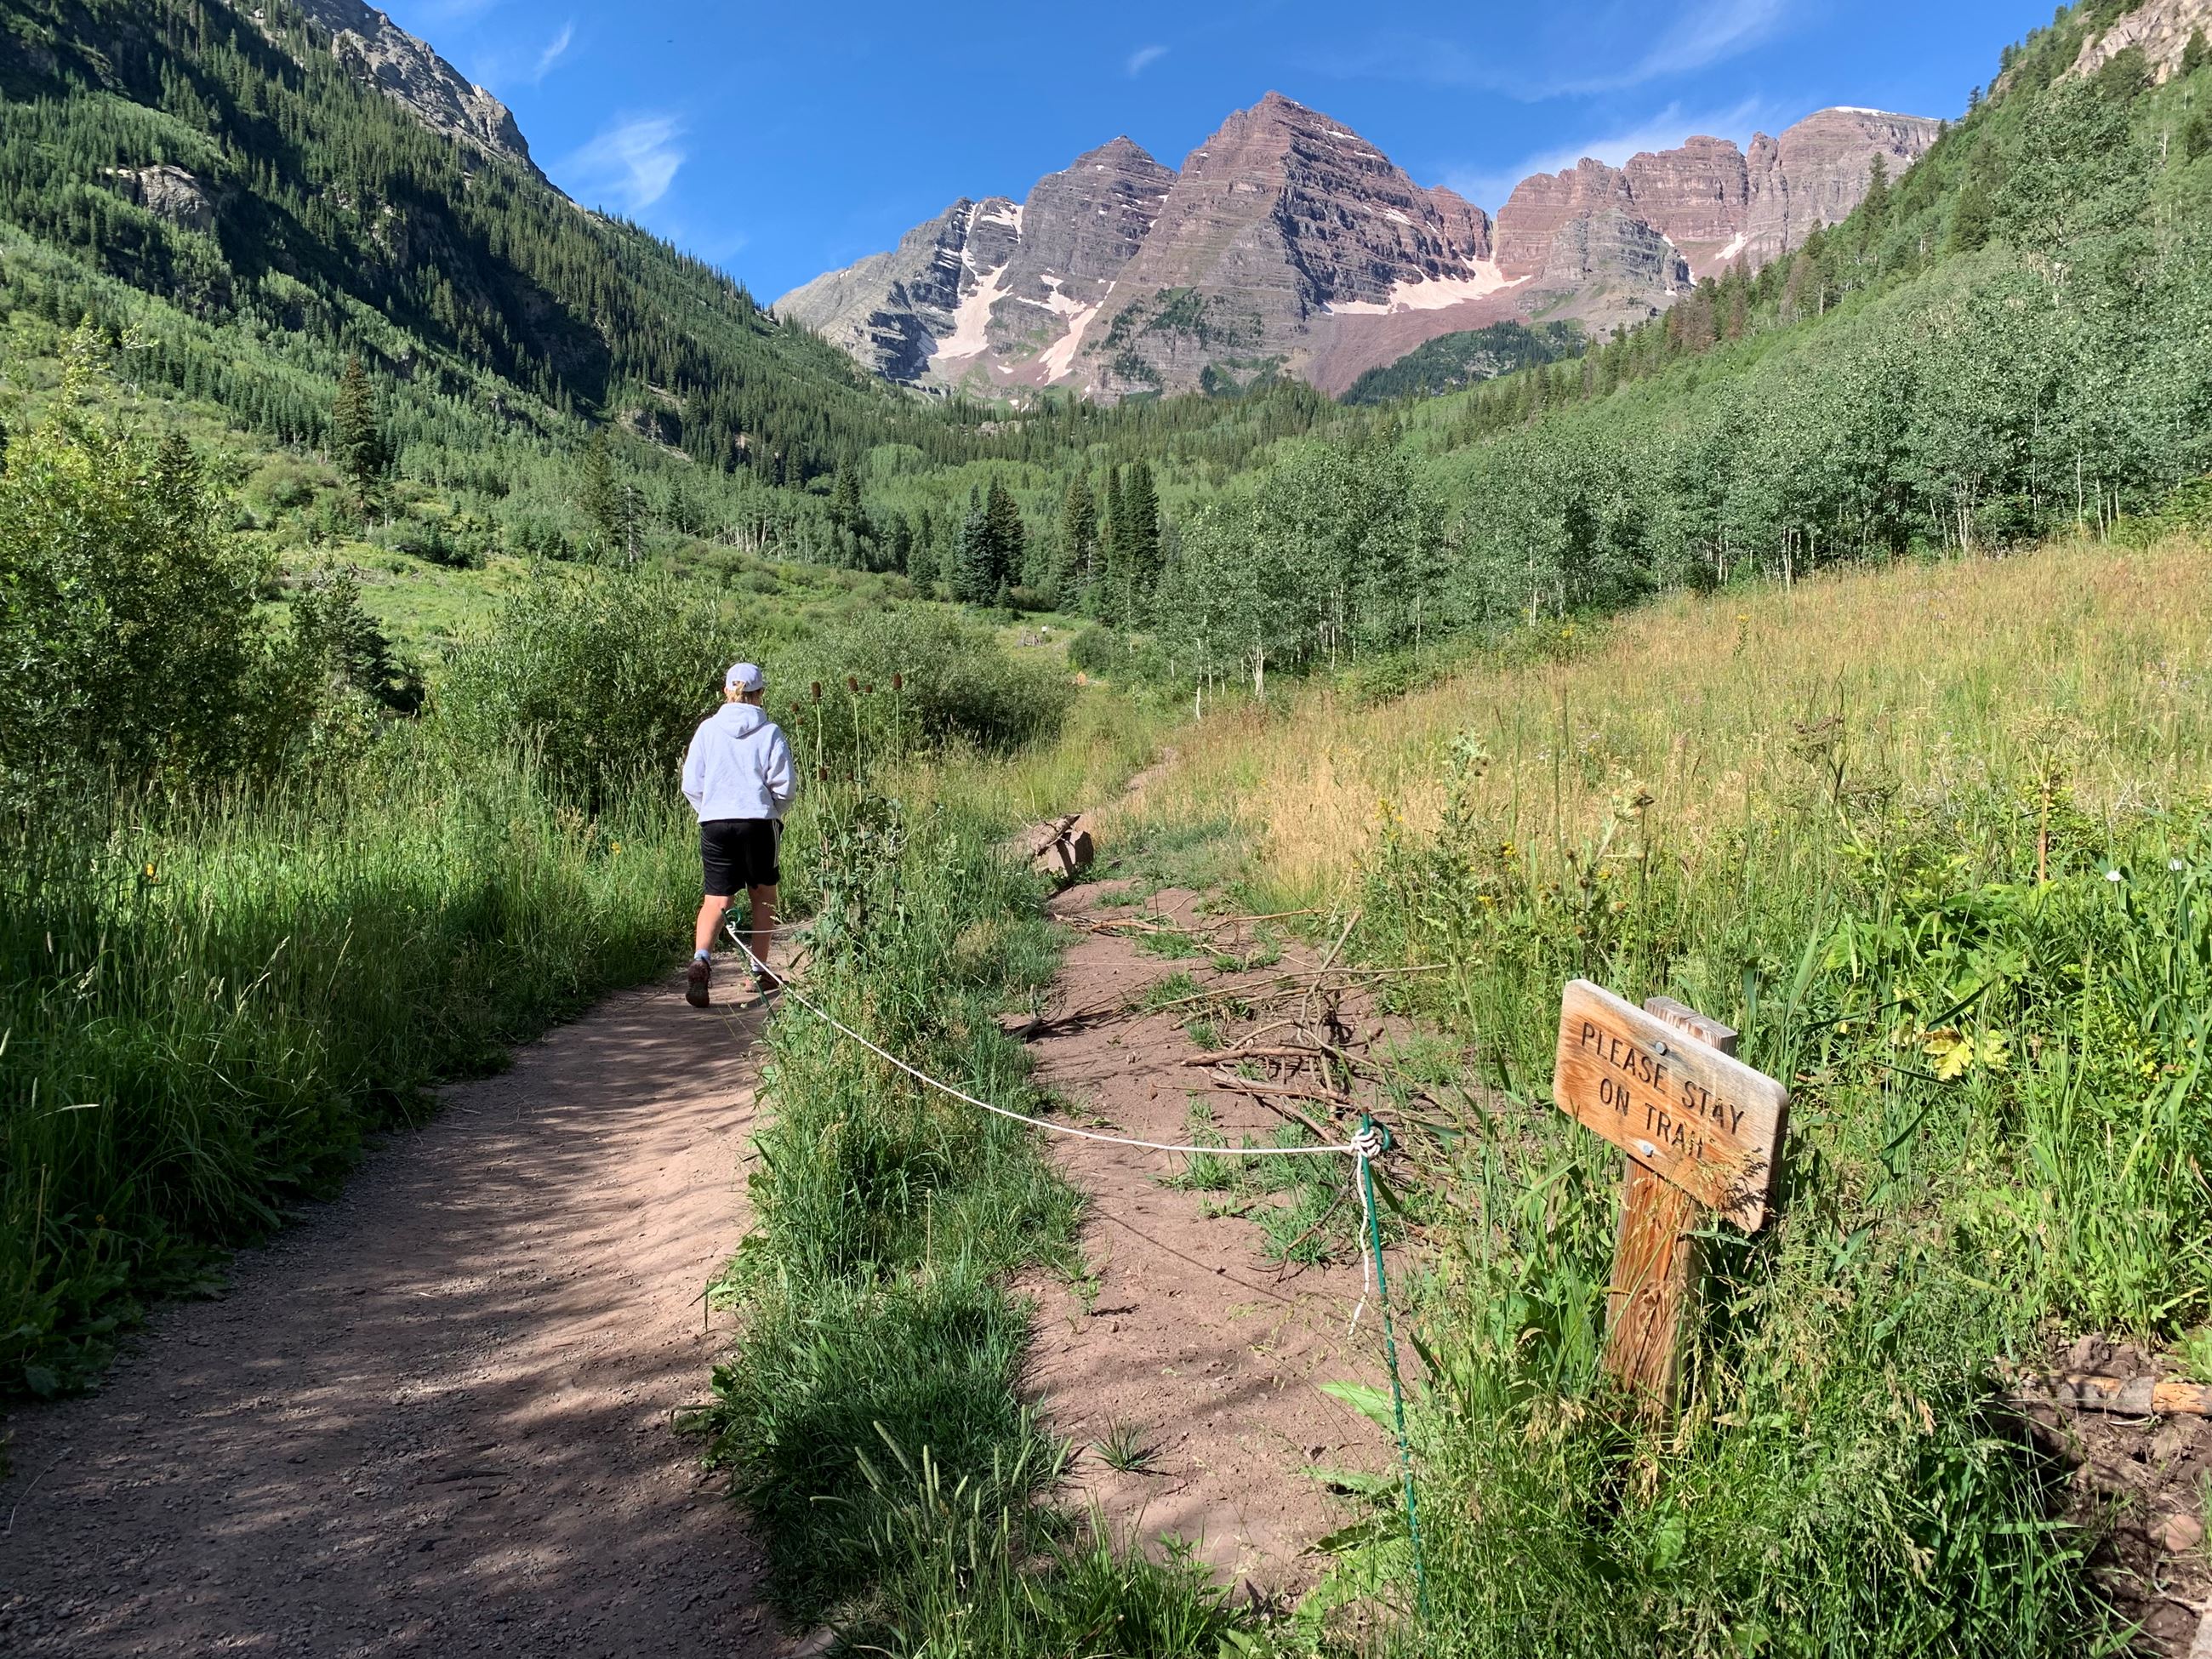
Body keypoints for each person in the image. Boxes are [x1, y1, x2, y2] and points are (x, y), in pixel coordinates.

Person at [681, 662, 797, 1006]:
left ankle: (701, 960)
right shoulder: (770, 732)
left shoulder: (707, 730)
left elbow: (692, 784)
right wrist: (772, 811)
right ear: (760, 694)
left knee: (716, 900)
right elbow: (785, 787)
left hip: (715, 822)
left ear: (725, 692)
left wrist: (709, 809)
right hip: (758, 822)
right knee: (762, 895)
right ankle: (758, 972)